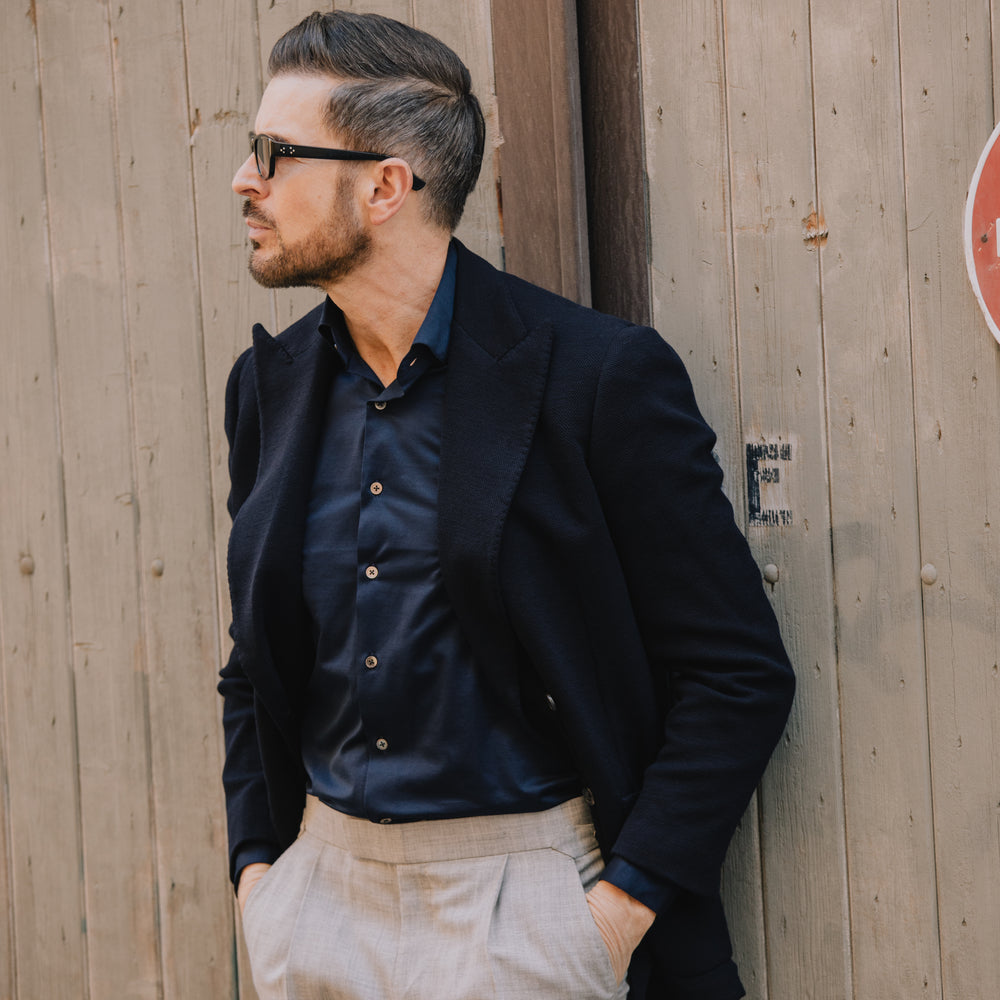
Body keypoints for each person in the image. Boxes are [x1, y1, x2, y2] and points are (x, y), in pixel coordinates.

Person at [221, 10, 795, 1000]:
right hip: (317, 902)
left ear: (387, 185)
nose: (245, 180)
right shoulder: (265, 390)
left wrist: (612, 917)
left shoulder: (596, 378)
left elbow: (736, 673)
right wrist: (261, 876)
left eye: (275, 154)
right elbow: (253, 667)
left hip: (528, 906)